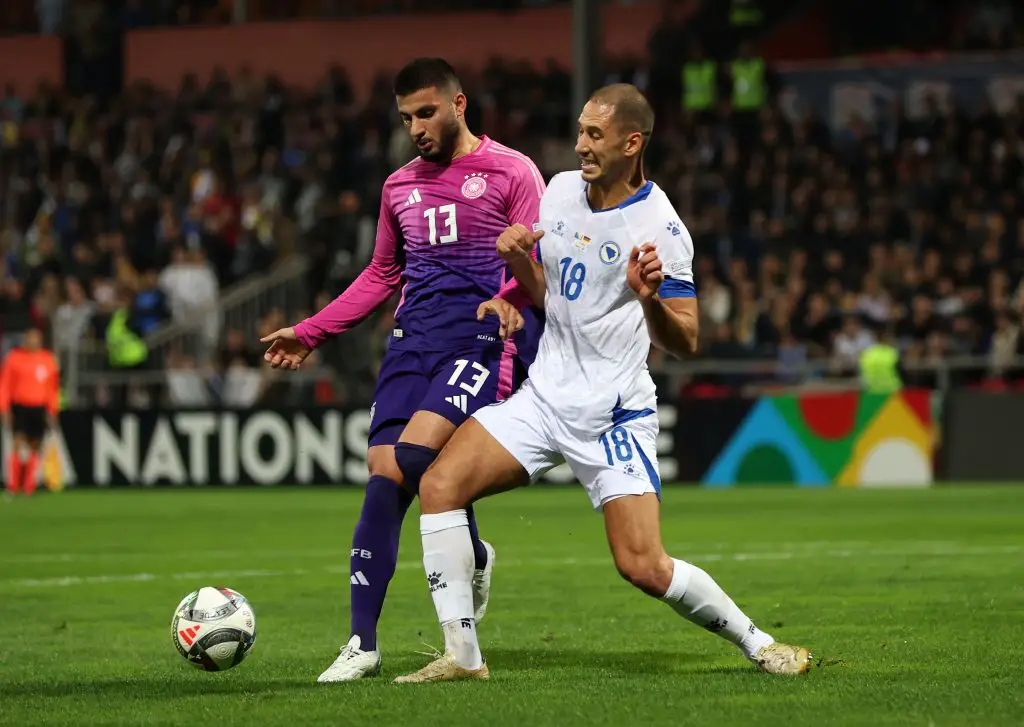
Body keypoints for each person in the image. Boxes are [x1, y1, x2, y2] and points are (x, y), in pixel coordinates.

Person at [395, 84, 812, 684]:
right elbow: (551, 296)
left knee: (641, 565)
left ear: (631, 142)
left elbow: (686, 341)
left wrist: (649, 301)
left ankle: (759, 643)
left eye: (594, 134)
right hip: (544, 398)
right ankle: (462, 658)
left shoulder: (660, 228)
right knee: (439, 484)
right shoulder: (561, 191)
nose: (580, 144)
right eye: (581, 130)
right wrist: (517, 264)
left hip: (612, 414)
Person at [260, 57, 545, 682]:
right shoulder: (397, 187)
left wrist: (512, 303)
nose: (416, 127)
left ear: (459, 104)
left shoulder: (512, 171)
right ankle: (363, 643)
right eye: (406, 117)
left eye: (426, 112)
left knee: (418, 459)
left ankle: (470, 556)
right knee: (384, 472)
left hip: (481, 337)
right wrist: (312, 333)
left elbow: (537, 263)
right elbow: (382, 276)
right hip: (411, 340)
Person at [0, 328, 60, 497]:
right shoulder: (14, 358)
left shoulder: (48, 360)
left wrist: (52, 410)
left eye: (37, 339)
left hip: (39, 407)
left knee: (35, 445)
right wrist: (4, 409)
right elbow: (5, 385)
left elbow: (52, 389)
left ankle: (28, 485)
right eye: (31, 338)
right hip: (20, 406)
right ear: (25, 340)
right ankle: (12, 485)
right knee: (18, 443)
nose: (33, 342)